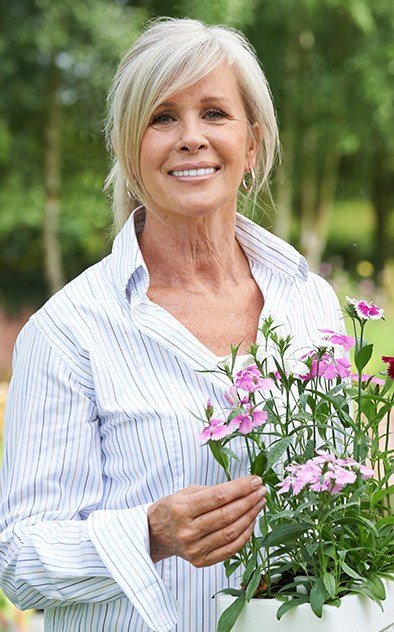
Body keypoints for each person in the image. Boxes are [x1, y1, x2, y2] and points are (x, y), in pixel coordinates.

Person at [0, 17, 345, 632]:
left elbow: (345, 503)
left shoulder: (311, 302)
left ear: (254, 143)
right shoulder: (69, 333)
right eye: (162, 118)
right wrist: (149, 535)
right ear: (127, 149)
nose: (191, 138)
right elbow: (19, 561)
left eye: (215, 113)